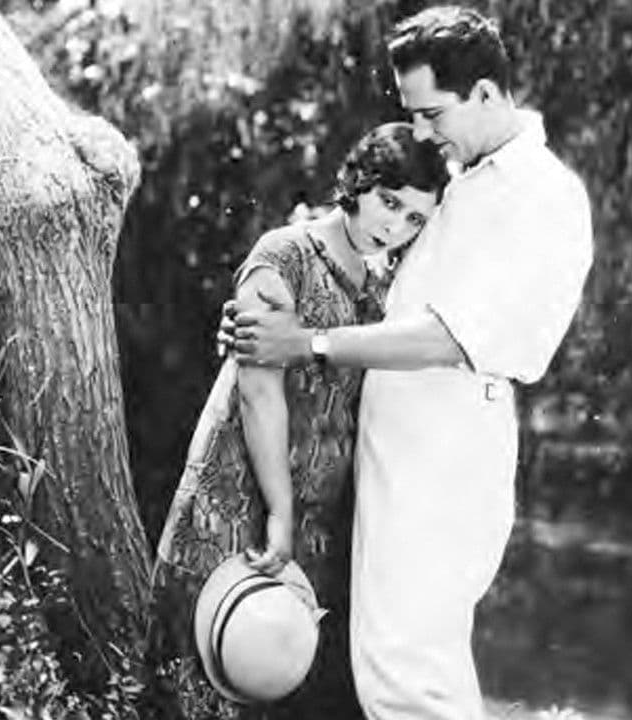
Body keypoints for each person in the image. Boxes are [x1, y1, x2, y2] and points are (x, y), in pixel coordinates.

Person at [220, 7, 594, 719]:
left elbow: (451, 337)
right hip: (397, 451)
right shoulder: (465, 180)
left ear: (485, 93)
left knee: (408, 673)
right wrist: (261, 310)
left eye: (432, 113)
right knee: (394, 664)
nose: (421, 133)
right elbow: (374, 282)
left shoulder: (541, 196)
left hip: (445, 454)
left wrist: (306, 343)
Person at [148, 122, 450, 720]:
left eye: (415, 218)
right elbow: (260, 393)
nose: (395, 226)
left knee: (276, 676)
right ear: (358, 183)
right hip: (242, 494)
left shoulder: (387, 288)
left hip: (318, 516)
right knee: (205, 669)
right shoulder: (284, 254)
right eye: (389, 202)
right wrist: (280, 513)